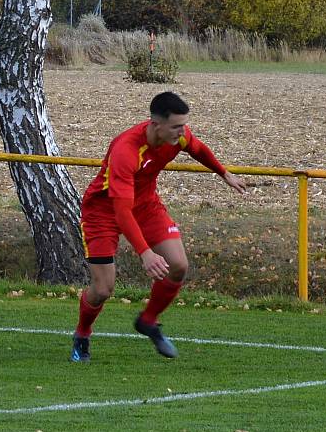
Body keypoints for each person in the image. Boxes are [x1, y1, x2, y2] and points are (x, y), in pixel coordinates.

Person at [71, 91, 246, 362]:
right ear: (156, 124)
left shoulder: (178, 136)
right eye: (176, 126)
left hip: (146, 205)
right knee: (103, 289)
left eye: (184, 124)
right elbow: (121, 211)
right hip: (103, 211)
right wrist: (145, 252)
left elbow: (198, 149)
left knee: (178, 265)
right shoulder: (126, 150)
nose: (182, 131)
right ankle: (82, 334)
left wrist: (224, 173)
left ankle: (148, 321)